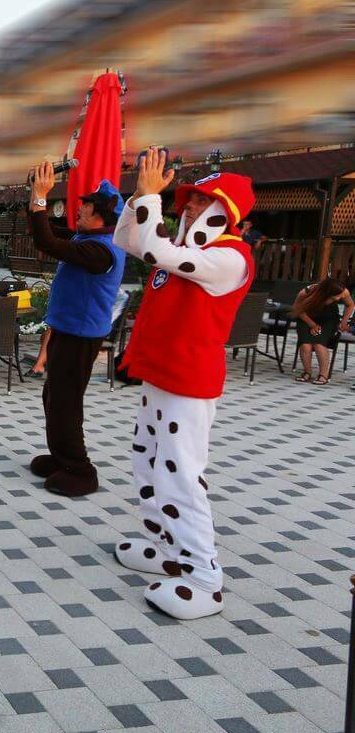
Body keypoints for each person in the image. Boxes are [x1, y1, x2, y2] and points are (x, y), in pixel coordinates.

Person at [113, 150, 256, 620]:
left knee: (180, 476)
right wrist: (139, 197)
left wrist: (150, 199)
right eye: (189, 199)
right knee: (148, 463)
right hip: (160, 374)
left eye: (200, 201)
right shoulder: (181, 250)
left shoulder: (229, 258)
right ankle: (164, 546)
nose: (189, 206)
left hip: (189, 383)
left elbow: (157, 252)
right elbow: (130, 240)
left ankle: (204, 578)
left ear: (224, 211)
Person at [26, 164, 127, 498]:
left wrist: (42, 196)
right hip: (67, 331)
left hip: (81, 337)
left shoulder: (102, 251)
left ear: (102, 216)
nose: (79, 208)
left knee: (66, 403)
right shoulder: (88, 238)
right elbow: (43, 231)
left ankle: (80, 470)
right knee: (54, 397)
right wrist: (34, 195)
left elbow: (47, 241)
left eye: (87, 206)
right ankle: (61, 458)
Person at [292, 277, 353, 384]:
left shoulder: (343, 291)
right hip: (306, 318)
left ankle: (323, 375)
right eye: (336, 296)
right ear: (326, 293)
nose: (339, 298)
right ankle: (307, 372)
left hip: (328, 319)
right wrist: (312, 325)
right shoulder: (307, 292)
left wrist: (343, 322)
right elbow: (297, 309)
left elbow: (350, 305)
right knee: (305, 345)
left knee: (318, 343)